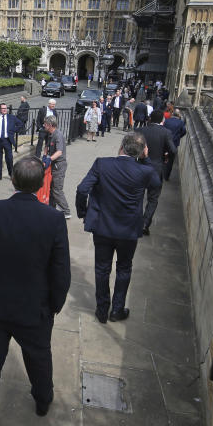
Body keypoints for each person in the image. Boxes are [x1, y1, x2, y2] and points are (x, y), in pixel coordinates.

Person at [0, 156, 70, 426]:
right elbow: (60, 270)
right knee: (39, 357)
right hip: (34, 307)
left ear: (13, 180)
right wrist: (55, 304)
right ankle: (42, 400)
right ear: (41, 185)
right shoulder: (52, 219)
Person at [75, 133, 160, 323]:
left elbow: (82, 189)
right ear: (142, 152)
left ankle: (102, 309)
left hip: (103, 227)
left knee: (102, 268)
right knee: (124, 268)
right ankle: (117, 310)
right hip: (128, 230)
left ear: (121, 146)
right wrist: (145, 160)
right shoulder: (145, 171)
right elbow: (156, 184)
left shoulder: (102, 164)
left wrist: (83, 213)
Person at [140, 110, 177, 234]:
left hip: (140, 168)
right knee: (153, 199)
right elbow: (173, 150)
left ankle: (134, 221)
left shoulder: (141, 130)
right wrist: (166, 156)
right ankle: (145, 224)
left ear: (150, 119)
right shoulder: (166, 132)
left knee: (138, 195)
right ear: (162, 120)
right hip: (156, 169)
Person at [42, 115, 71, 219]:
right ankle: (51, 208)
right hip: (54, 165)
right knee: (51, 188)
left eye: (45, 124)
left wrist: (49, 159)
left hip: (59, 165)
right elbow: (46, 146)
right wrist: (44, 156)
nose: (43, 125)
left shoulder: (58, 135)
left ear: (50, 125)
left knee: (57, 190)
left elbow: (59, 152)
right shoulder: (49, 134)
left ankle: (66, 211)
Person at [0, 103, 22, 182]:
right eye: (3, 108)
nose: (5, 109)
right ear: (0, 109)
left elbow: (20, 124)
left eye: (5, 108)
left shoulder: (11, 117)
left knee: (9, 158)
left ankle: (11, 174)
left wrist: (13, 131)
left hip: (7, 140)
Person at [162, 109, 187, 181]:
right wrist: (178, 137)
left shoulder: (167, 121)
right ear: (179, 115)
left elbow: (163, 129)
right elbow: (184, 131)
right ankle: (166, 176)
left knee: (163, 156)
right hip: (174, 143)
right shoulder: (181, 123)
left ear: (172, 114)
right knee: (170, 160)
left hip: (165, 142)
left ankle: (161, 173)